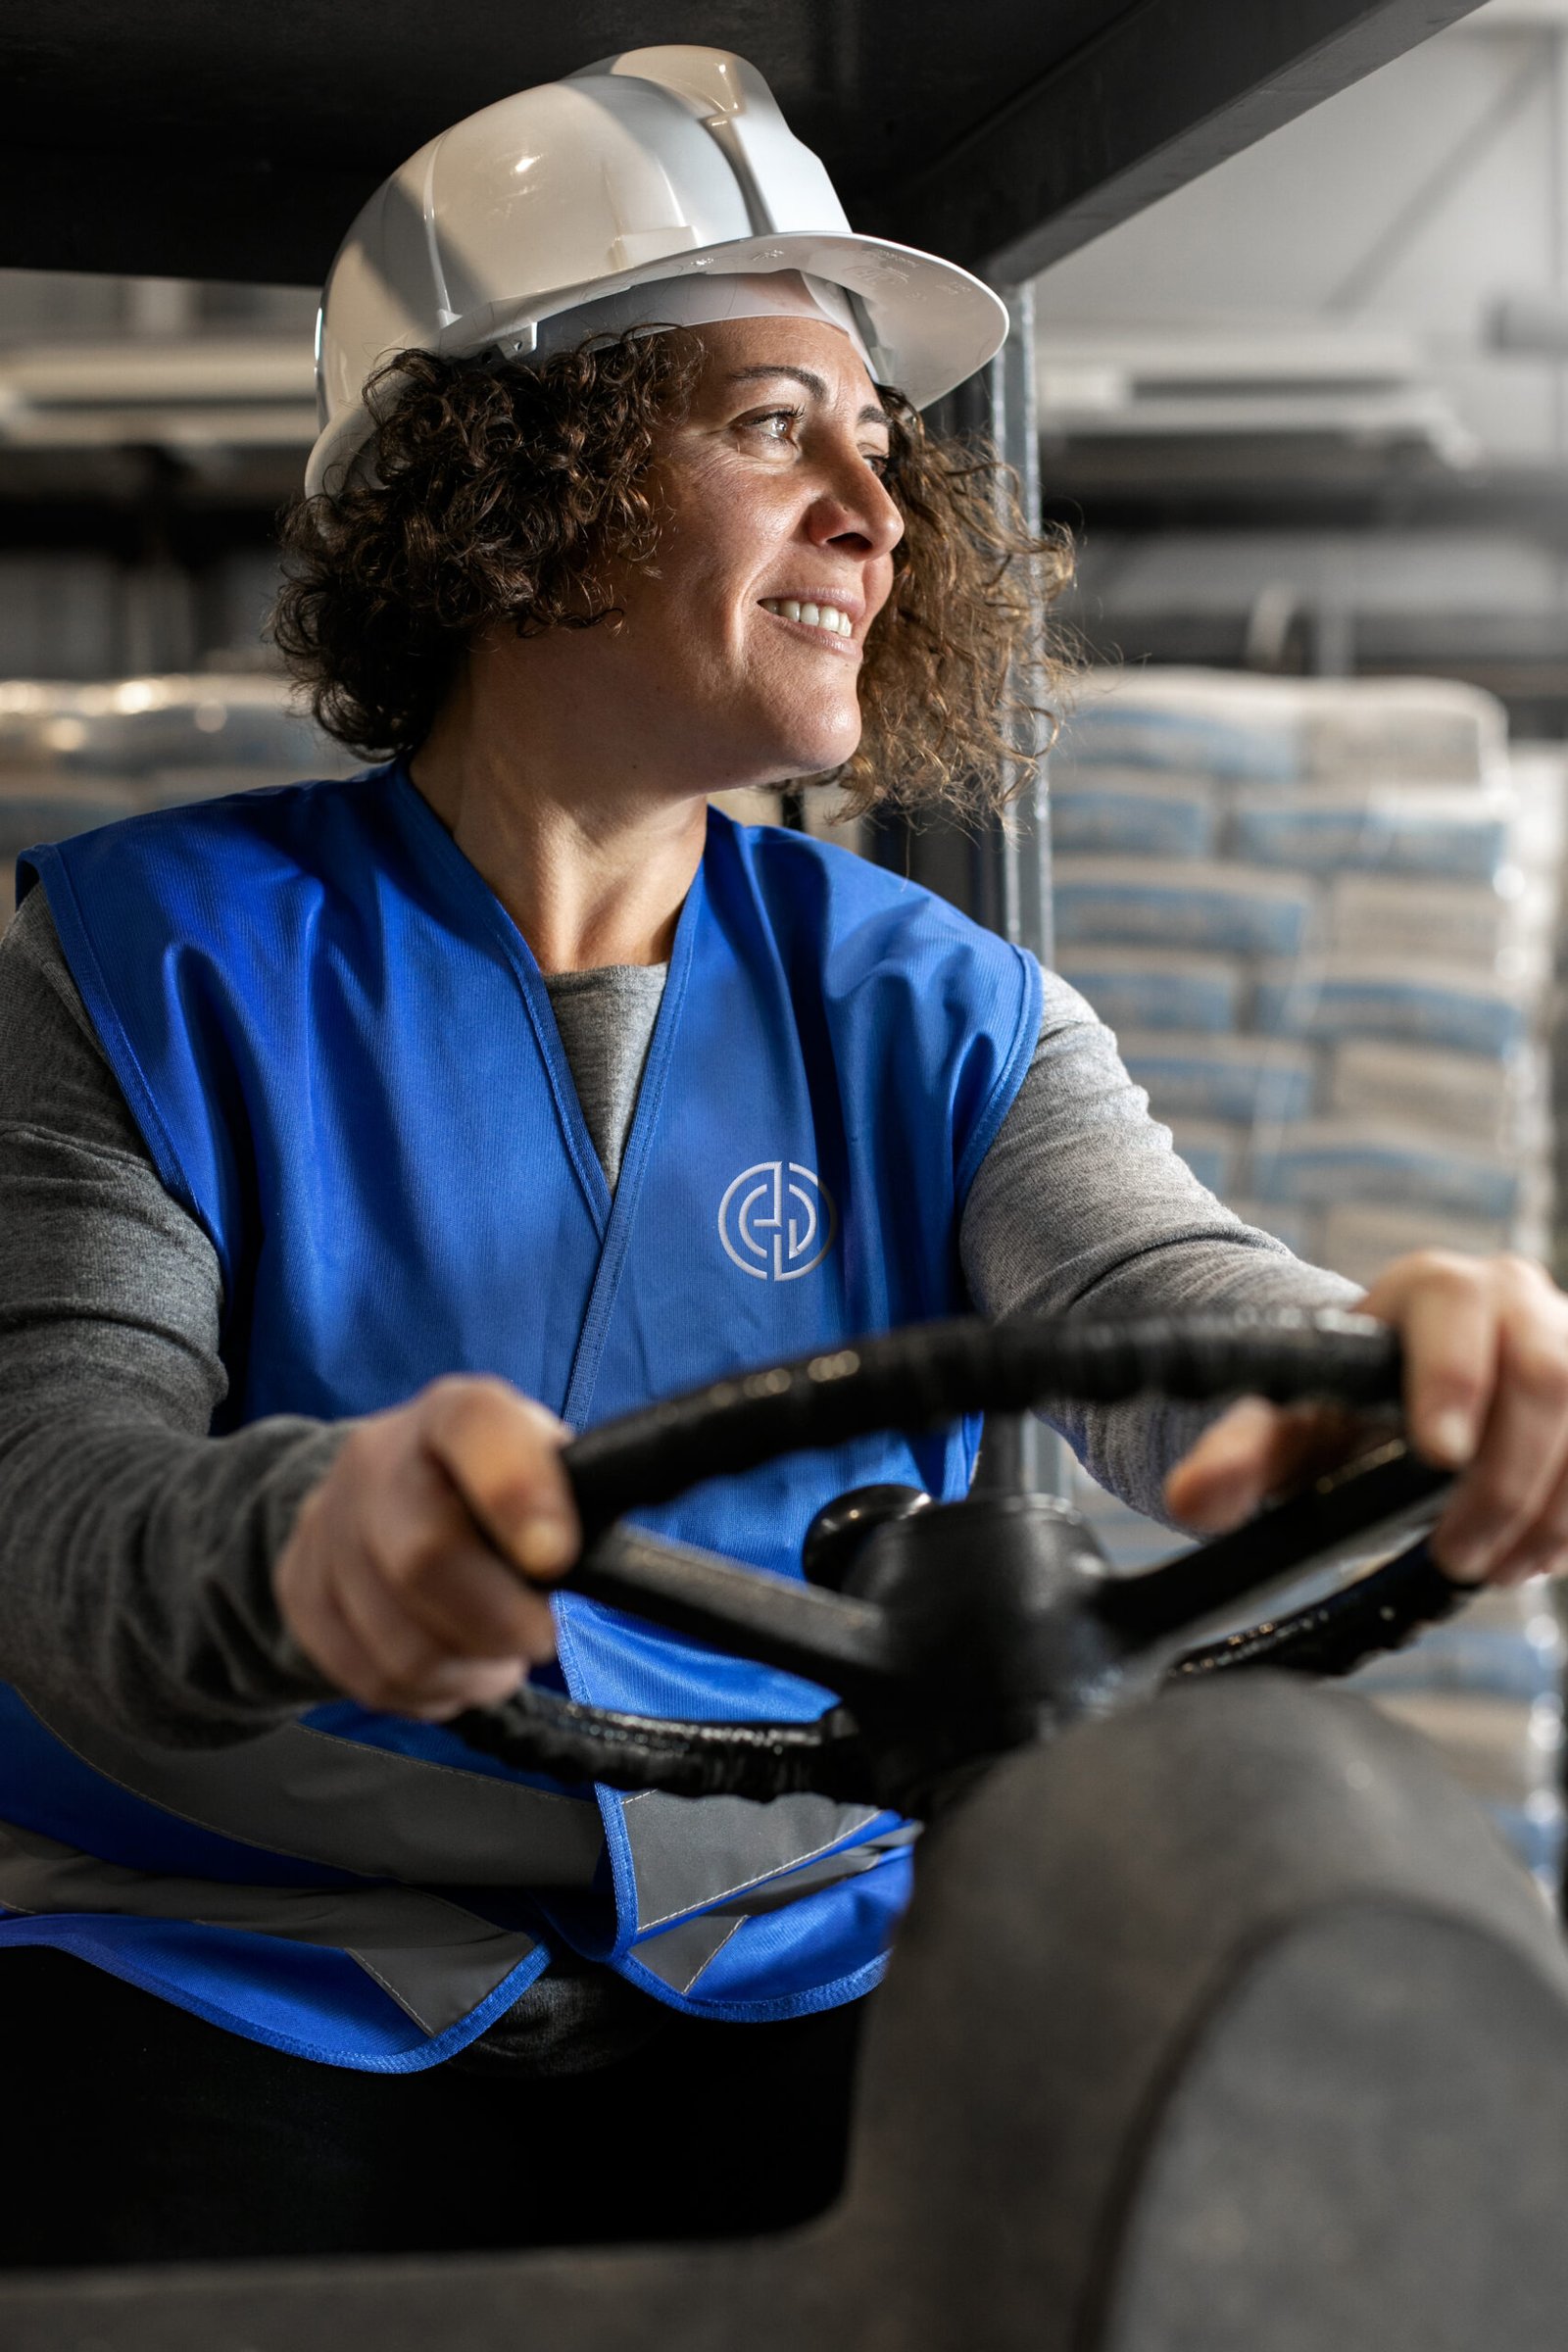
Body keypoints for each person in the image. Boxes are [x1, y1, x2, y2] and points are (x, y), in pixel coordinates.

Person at [3, 43, 1568, 2272]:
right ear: (503, 476)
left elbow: (1143, 1294)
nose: (876, 502)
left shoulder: (928, 1000)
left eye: (875, 439)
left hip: (785, 1940)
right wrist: (295, 1542)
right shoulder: (143, 963)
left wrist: (1347, 1379)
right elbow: (51, 1491)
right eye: (769, 425)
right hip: (240, 1954)